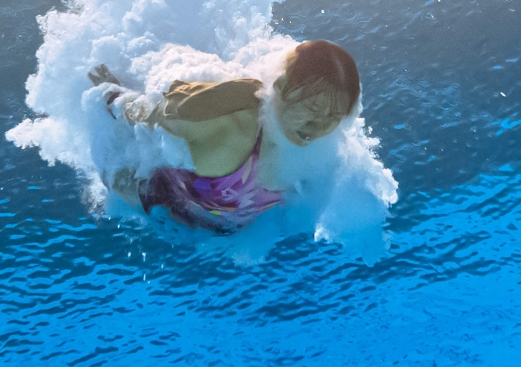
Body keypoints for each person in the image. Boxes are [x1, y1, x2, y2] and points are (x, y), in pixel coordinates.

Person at [87, 40, 361, 234]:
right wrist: (114, 97)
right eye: (311, 109)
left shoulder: (324, 153)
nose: (317, 126)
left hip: (219, 233)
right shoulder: (229, 129)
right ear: (279, 87)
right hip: (158, 201)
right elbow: (154, 116)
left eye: (332, 118)